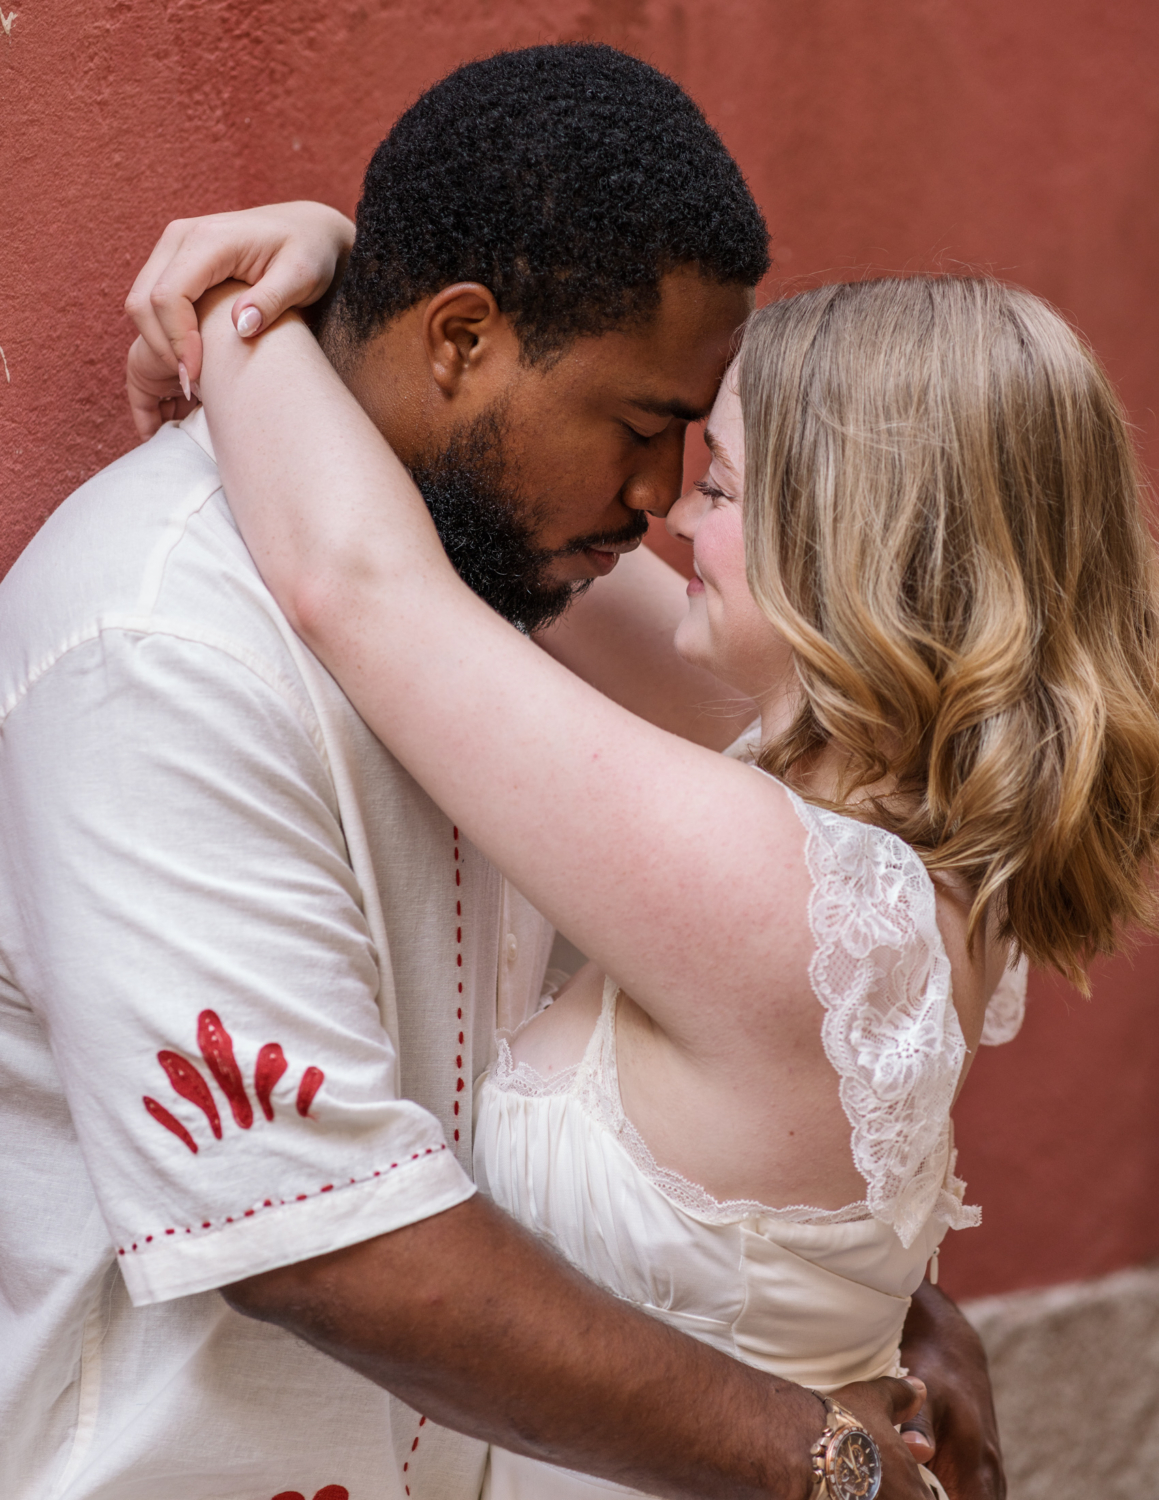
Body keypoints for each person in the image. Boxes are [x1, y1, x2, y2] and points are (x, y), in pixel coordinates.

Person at [0, 43, 993, 1500]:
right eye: (640, 429)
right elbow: (337, 1249)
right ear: (458, 338)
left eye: (693, 455)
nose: (660, 502)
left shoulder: (513, 585)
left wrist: (864, 1291)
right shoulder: (163, 641)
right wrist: (823, 1456)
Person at [176, 268, 1159, 1500]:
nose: (673, 520)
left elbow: (360, 587)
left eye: (723, 485)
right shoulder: (876, 813)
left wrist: (236, 306)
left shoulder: (788, 895)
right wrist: (364, 271)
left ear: (854, 537)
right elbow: (525, 557)